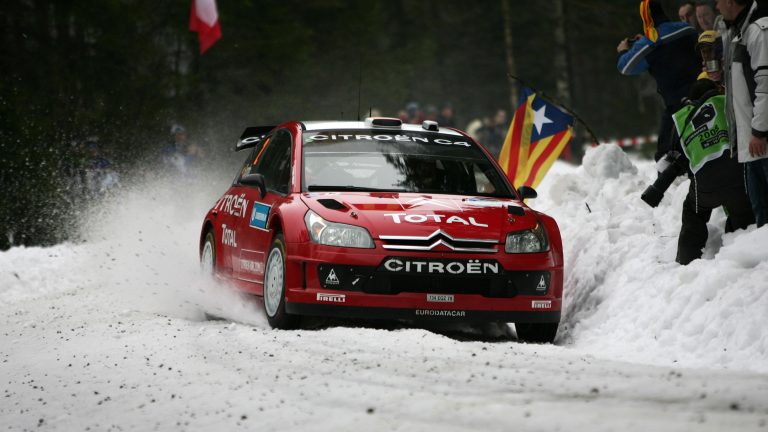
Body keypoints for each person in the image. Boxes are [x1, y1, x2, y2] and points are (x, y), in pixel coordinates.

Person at [671, 78, 754, 264]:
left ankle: (686, 261)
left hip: (704, 189)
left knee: (693, 213)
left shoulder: (684, 117)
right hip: (738, 182)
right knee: (742, 214)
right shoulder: (729, 103)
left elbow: (676, 153)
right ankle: (741, 255)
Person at [618, 0, 701, 161]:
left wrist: (623, 51)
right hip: (703, 96)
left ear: (646, 18)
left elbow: (625, 67)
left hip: (677, 107)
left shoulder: (649, 43)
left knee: (665, 156)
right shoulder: (687, 29)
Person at [719, 0, 768, 226]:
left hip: (760, 140)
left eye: (718, 1)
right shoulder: (740, 31)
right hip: (752, 142)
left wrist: (759, 131)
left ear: (730, 1)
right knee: (761, 215)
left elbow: (765, 85)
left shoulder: (758, 30)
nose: (717, 7)